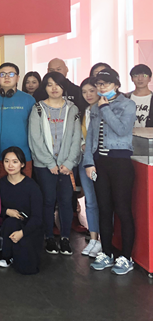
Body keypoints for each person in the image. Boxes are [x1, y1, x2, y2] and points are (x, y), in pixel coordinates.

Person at [84, 68, 137, 275]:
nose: (101, 87)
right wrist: (89, 162)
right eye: (98, 84)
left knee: (122, 209)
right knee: (104, 209)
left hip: (120, 162)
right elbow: (90, 136)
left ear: (116, 84)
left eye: (105, 83)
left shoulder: (127, 104)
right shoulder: (95, 106)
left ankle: (126, 257)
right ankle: (106, 253)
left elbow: (122, 130)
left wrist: (105, 108)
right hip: (100, 163)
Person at [28, 72, 82, 255]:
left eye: (57, 84)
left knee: (66, 201)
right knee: (48, 200)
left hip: (67, 165)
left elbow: (76, 138)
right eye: (49, 84)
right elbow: (35, 138)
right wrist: (49, 162)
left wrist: (69, 162)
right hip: (44, 165)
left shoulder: (72, 109)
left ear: (63, 86)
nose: (54, 88)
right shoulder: (38, 109)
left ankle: (65, 238)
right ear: (45, 87)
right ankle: (49, 237)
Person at [0, 63, 35, 179]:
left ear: (18, 78)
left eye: (11, 74)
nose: (7, 77)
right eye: (2, 74)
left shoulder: (29, 100)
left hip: (23, 156)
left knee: (23, 188)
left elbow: (35, 127)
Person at [0, 147, 43, 274]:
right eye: (6, 161)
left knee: (28, 268)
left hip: (29, 227)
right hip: (8, 226)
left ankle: (18, 254)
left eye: (15, 161)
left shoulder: (32, 186)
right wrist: (6, 211)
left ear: (22, 164)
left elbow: (37, 217)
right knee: (11, 222)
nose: (10, 165)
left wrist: (22, 233)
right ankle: (7, 256)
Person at [78, 77, 102, 257]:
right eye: (84, 92)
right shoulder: (84, 111)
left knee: (104, 200)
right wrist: (82, 145)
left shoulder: (105, 110)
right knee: (90, 201)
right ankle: (93, 239)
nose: (88, 95)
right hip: (84, 160)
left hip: (101, 162)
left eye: (91, 91)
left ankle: (103, 239)